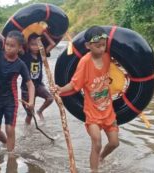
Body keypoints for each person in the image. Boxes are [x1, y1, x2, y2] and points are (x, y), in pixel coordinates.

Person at [50, 26, 119, 172]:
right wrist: (60, 89)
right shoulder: (85, 62)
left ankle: (101, 157)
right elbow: (75, 84)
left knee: (114, 143)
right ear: (88, 46)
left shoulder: (107, 57)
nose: (101, 49)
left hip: (108, 110)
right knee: (97, 142)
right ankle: (94, 170)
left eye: (103, 45)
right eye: (97, 46)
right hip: (92, 112)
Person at [0, 30, 35, 153]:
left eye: (12, 46)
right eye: (7, 44)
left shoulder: (20, 64)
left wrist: (31, 101)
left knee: (9, 129)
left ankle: (11, 157)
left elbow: (30, 84)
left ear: (20, 48)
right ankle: (6, 143)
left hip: (11, 100)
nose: (8, 48)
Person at [20, 32, 55, 125]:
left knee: (50, 98)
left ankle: (40, 111)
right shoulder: (25, 55)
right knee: (30, 114)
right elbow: (19, 46)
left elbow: (53, 44)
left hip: (38, 85)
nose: (35, 47)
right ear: (28, 45)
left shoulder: (41, 55)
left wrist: (45, 33)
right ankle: (27, 132)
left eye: (38, 45)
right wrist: (22, 35)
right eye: (33, 44)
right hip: (26, 88)